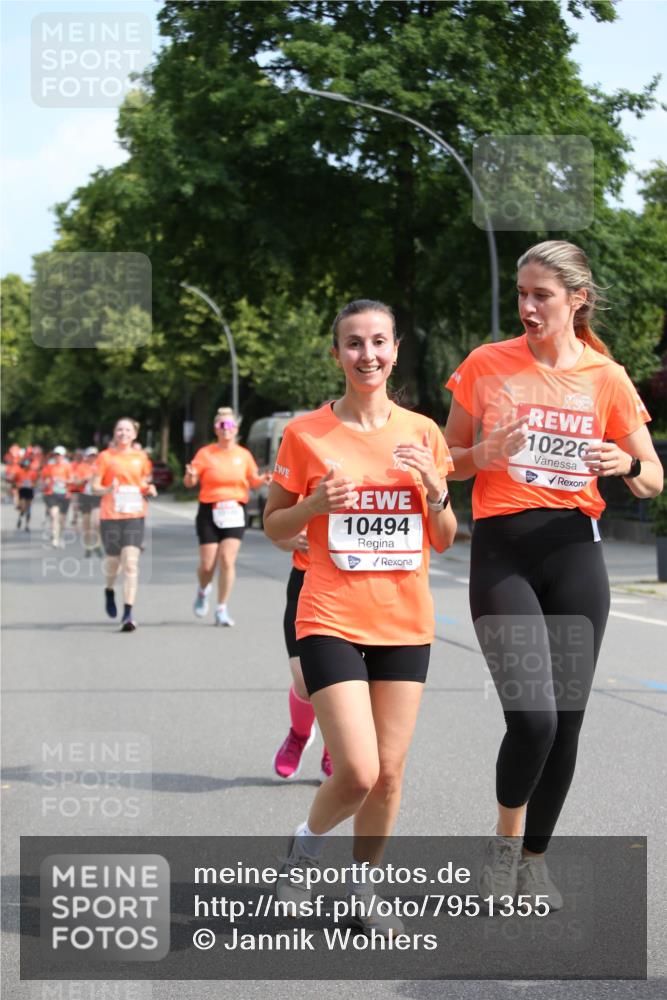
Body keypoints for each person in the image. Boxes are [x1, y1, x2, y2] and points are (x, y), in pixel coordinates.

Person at [444, 240, 664, 910]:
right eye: (521, 294)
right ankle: (503, 845)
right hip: (503, 550)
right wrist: (481, 451)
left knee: (566, 721)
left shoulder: (606, 377)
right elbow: (444, 460)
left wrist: (620, 465)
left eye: (542, 295)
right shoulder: (487, 364)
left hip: (574, 552)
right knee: (533, 718)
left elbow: (653, 477)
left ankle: (534, 861)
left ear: (577, 299)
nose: (528, 306)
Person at [263, 299, 457, 937]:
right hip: (330, 615)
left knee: (391, 774)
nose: (367, 355)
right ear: (336, 353)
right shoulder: (306, 434)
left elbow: (446, 537)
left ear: (395, 349)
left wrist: (435, 493)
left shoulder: (424, 433)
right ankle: (305, 850)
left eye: (378, 342)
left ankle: (363, 888)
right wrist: (315, 501)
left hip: (405, 621)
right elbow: (274, 525)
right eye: (353, 343)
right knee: (359, 771)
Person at [183, 407, 270, 627]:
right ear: (216, 428)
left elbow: (253, 480)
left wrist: (264, 479)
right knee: (207, 565)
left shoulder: (243, 455)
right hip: (209, 510)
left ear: (236, 429)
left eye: (230, 425)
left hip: (234, 511)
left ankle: (222, 608)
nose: (226, 429)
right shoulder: (206, 453)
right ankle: (203, 590)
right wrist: (191, 476)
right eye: (222, 425)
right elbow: (190, 482)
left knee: (227, 560)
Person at [271, 532, 332, 782]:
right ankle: (299, 735)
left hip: (356, 588)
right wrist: (292, 540)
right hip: (305, 581)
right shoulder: (308, 490)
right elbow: (276, 530)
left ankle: (334, 752)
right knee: (303, 677)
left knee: (341, 681)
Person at [92, 418, 156, 632]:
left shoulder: (141, 457)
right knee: (113, 563)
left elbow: (144, 483)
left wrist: (150, 489)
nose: (123, 433)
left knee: (130, 563)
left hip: (135, 514)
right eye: (119, 429)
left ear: (134, 434)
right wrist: (108, 488)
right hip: (110, 514)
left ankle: (128, 613)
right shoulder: (105, 457)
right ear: (114, 433)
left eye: (127, 430)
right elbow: (94, 487)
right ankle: (109, 589)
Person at [41, 446, 73, 548]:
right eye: (56, 454)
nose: (58, 456)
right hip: (51, 494)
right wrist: (47, 482)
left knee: (62, 519)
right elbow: (43, 480)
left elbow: (72, 480)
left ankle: (60, 535)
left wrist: (63, 481)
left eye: (59, 455)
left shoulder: (67, 466)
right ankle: (55, 538)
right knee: (54, 515)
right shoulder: (48, 467)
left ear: (63, 456)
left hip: (64, 494)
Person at [77, 447, 103, 557]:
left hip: (97, 496)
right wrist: (85, 479)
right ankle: (88, 546)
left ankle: (97, 544)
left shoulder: (100, 467)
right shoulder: (81, 467)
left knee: (96, 522)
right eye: (90, 456)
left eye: (94, 456)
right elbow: (76, 482)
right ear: (86, 457)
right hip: (85, 496)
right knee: (86, 524)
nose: (92, 458)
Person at [16, 458, 38, 531]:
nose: (26, 467)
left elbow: (35, 481)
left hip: (29, 490)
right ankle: (20, 517)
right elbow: (15, 480)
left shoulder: (33, 473)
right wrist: (18, 485)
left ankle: (27, 525)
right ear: (23, 465)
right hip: (22, 490)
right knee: (22, 507)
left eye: (28, 465)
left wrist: (33, 485)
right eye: (25, 465)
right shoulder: (19, 472)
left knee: (28, 508)